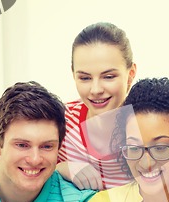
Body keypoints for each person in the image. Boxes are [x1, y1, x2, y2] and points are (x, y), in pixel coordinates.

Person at [57, 22, 137, 190]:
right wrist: (61, 168)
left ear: (130, 75)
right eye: (85, 78)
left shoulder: (147, 125)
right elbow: (28, 169)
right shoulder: (60, 120)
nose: (96, 90)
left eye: (108, 76)